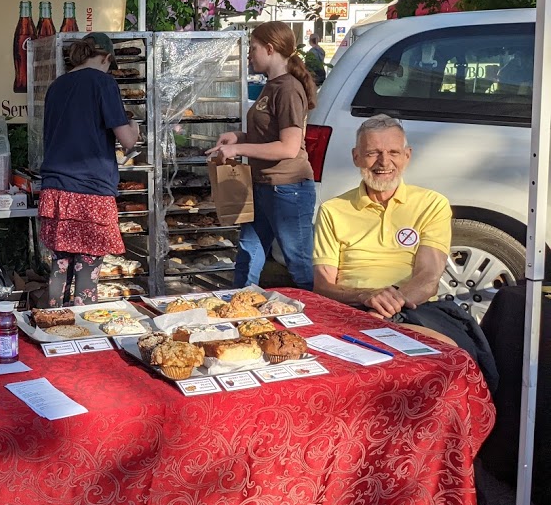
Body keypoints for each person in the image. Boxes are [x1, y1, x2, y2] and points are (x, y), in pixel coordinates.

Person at [313, 114, 498, 386]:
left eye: (393, 152)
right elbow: (323, 285)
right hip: (350, 311)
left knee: (454, 362)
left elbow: (427, 279)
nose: (384, 162)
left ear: (407, 156)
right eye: (373, 153)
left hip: (413, 309)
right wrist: (366, 296)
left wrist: (385, 309)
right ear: (356, 157)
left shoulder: (431, 204)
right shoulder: (333, 209)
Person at [206, 21, 317, 290]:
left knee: (298, 261)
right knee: (248, 251)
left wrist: (238, 149)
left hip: (288, 189)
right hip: (264, 185)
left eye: (252, 48)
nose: (249, 54)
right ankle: (240, 305)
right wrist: (239, 137)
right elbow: (268, 136)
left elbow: (288, 147)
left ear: (270, 49)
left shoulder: (288, 88)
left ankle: (315, 317)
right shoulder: (273, 85)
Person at [38, 33, 139, 307]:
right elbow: (127, 140)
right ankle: (83, 332)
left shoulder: (57, 86)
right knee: (88, 269)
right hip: (91, 191)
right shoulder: (104, 82)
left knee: (59, 267)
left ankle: (52, 323)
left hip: (56, 190)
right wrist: (136, 127)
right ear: (106, 57)